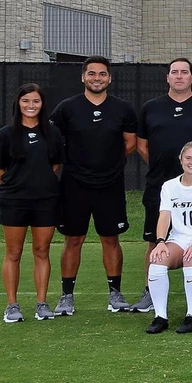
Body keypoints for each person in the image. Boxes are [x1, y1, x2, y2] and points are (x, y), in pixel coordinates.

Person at [50, 56, 138, 316]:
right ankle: (66, 297)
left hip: (110, 185)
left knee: (110, 239)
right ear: (83, 77)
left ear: (109, 78)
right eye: (91, 74)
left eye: (102, 74)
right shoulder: (66, 108)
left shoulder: (123, 108)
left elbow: (130, 143)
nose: (96, 78)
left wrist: (109, 164)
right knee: (73, 239)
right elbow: (55, 142)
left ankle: (115, 294)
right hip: (74, 185)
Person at [133, 58, 192, 313]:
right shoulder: (151, 108)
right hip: (160, 184)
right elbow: (141, 144)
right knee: (155, 239)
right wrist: (168, 170)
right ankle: (150, 291)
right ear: (168, 77)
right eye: (175, 72)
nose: (179, 76)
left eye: (185, 72)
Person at [0, 83, 63, 323]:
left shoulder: (52, 133)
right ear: (18, 104)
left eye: (35, 101)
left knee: (42, 251)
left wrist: (39, 183)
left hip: (46, 201)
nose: (30, 106)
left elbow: (55, 165)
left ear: (42, 104)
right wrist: (18, 186)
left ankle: (42, 304)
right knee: (13, 252)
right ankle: (12, 305)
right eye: (26, 101)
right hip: (14, 202)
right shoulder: (6, 133)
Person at [144, 142, 192, 334]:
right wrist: (160, 242)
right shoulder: (169, 186)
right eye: (188, 158)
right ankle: (160, 317)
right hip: (178, 238)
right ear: (181, 159)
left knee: (191, 259)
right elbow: (164, 217)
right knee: (157, 261)